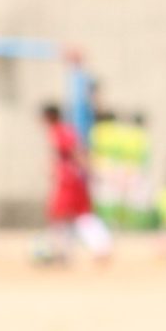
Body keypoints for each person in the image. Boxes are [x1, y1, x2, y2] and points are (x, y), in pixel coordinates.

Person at [41, 103, 113, 265]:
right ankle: (66, 251)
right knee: (71, 215)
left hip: (70, 181)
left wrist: (90, 170)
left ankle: (65, 250)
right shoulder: (61, 130)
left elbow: (75, 151)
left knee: (65, 215)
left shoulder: (60, 131)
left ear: (49, 117)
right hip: (71, 179)